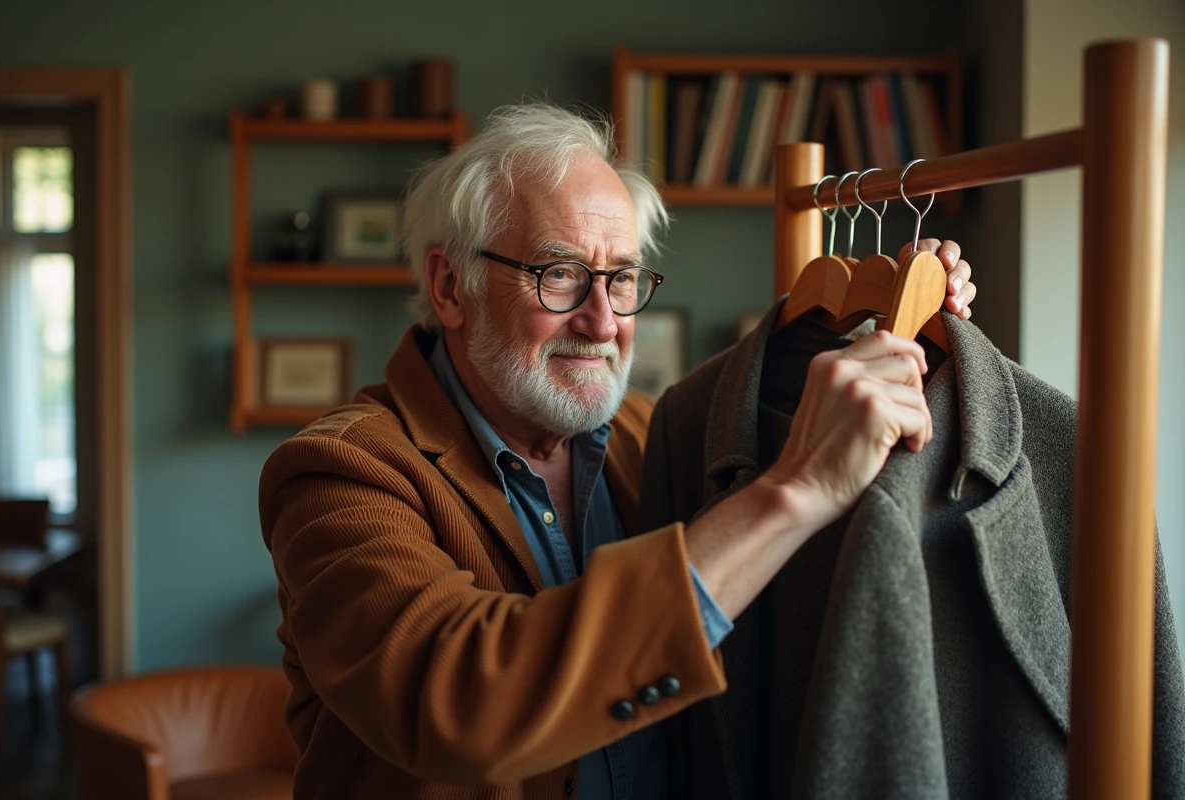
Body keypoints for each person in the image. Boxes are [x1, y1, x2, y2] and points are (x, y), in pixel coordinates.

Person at [258, 103, 978, 800]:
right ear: (452, 287)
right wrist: (796, 489)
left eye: (623, 277)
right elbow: (463, 702)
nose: (603, 321)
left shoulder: (650, 432)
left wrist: (889, 317)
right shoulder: (339, 473)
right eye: (561, 273)